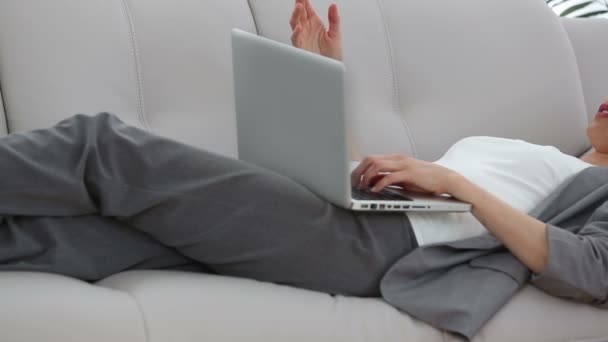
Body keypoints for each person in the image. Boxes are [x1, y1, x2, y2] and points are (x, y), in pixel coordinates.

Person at [0, 0, 607, 307]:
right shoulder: (549, 158)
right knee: (106, 238)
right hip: (364, 219)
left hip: (378, 248)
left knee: (105, 148)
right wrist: (324, 80)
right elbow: (363, 182)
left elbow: (590, 270)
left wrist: (455, 182)